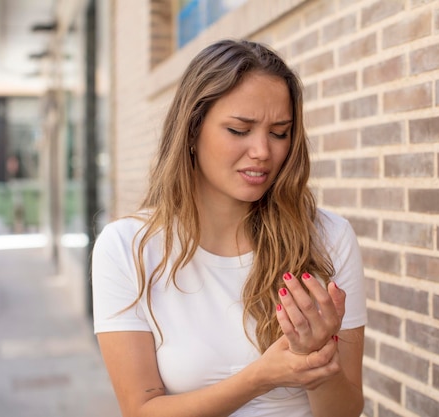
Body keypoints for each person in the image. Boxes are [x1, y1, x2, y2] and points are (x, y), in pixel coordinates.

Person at [91, 39, 366, 417]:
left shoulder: (329, 237)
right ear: (191, 130)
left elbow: (346, 411)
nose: (263, 151)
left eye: (279, 132)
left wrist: (315, 361)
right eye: (239, 130)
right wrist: (260, 377)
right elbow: (141, 410)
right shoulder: (127, 248)